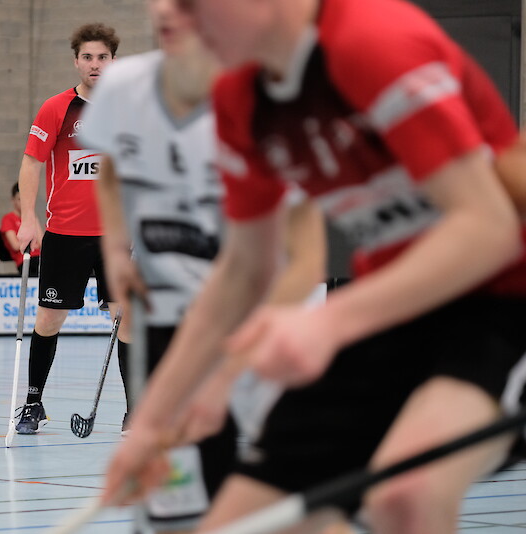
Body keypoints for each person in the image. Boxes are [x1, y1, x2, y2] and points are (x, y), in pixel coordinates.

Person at [102, 0, 526, 533]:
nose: (170, 15)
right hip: (392, 312)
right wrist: (152, 423)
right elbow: (243, 271)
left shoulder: (373, 41)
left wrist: (327, 322)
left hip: (504, 302)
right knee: (246, 525)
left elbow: (489, 229)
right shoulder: (238, 98)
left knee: (406, 495)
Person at [79, 1, 331, 531]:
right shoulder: (125, 88)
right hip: (171, 322)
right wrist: (116, 253)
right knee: (174, 504)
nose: (166, 11)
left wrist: (225, 373)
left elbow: (304, 263)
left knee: (290, 510)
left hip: (264, 330)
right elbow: (110, 173)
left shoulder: (273, 99)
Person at [14, 23, 131, 435]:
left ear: (113, 61)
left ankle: (136, 411)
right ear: (76, 61)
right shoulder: (56, 108)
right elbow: (32, 162)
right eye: (87, 57)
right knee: (49, 320)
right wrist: (29, 218)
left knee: (126, 320)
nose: (95, 64)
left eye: (102, 57)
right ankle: (33, 404)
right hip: (65, 234)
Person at [0, 183, 41, 277]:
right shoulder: (8, 219)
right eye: (19, 199)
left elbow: (41, 243)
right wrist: (33, 244)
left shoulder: (33, 218)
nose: (23, 203)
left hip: (39, 258)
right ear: (13, 200)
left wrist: (34, 218)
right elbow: (15, 245)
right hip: (24, 260)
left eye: (26, 199)